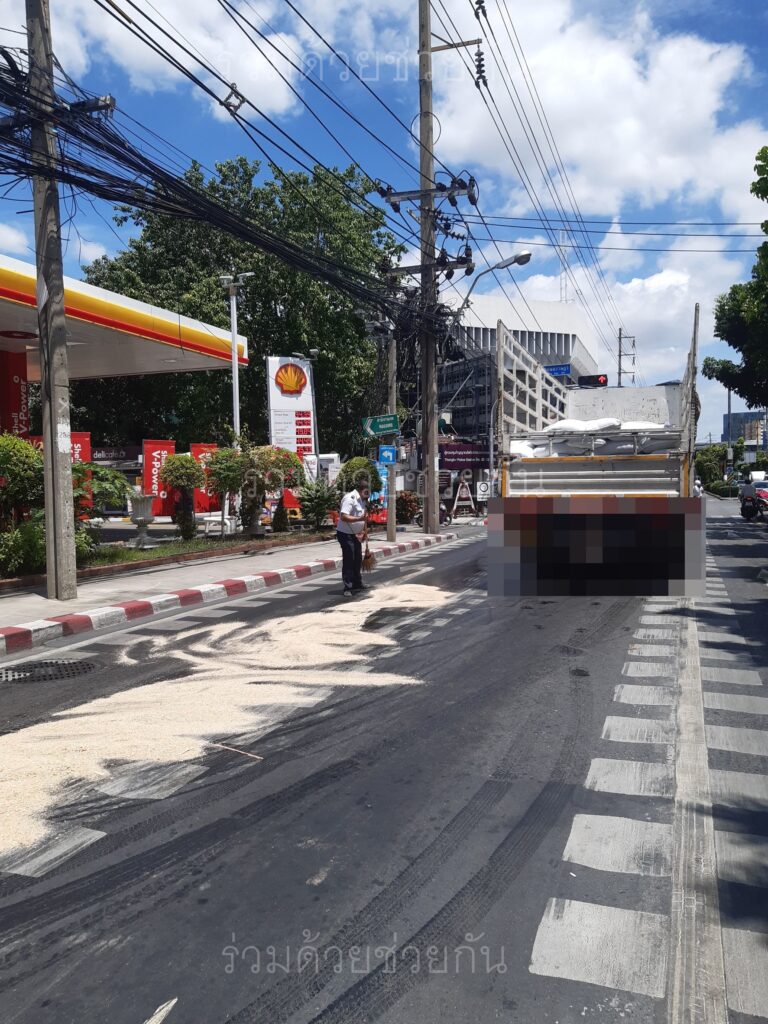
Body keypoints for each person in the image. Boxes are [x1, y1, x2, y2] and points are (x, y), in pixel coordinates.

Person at [336, 478, 369, 597]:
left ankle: (357, 583)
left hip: (355, 534)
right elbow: (344, 516)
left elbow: (364, 517)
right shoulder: (350, 498)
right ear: (362, 490)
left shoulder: (362, 501)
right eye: (367, 492)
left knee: (357, 559)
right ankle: (348, 586)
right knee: (349, 559)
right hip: (345, 534)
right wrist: (360, 519)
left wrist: (364, 531)